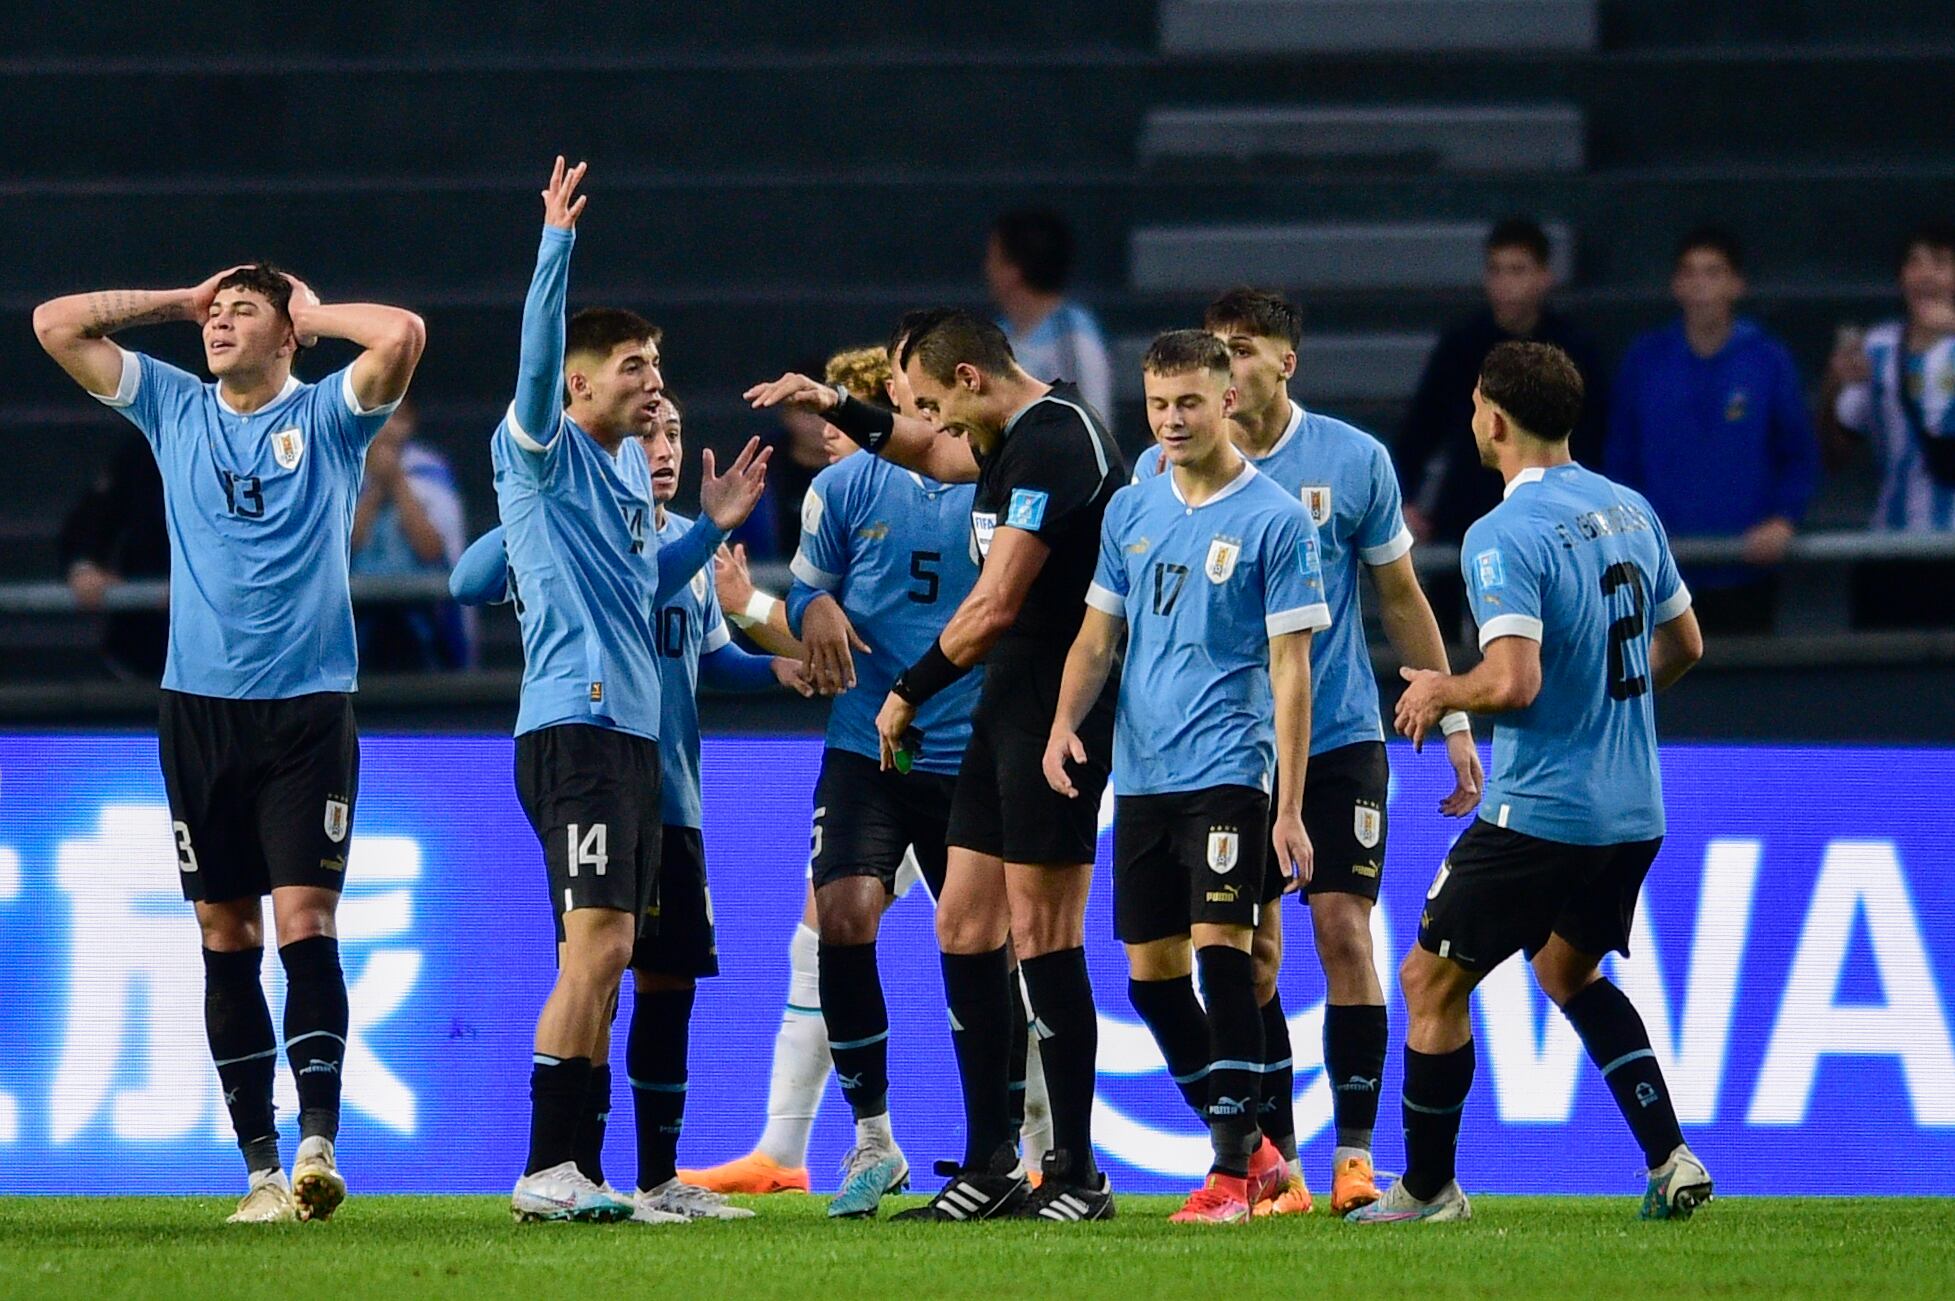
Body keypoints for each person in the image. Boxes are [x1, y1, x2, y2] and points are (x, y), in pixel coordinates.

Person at [33, 259, 426, 1223]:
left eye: (242, 312)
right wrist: (177, 299)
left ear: (285, 334)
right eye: (216, 313)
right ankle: (258, 1170)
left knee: (306, 923)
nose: (219, 325)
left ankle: (319, 1143)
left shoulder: (330, 416)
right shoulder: (172, 405)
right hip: (198, 708)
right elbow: (54, 323)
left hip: (307, 708)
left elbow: (405, 335)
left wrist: (317, 309)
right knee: (224, 932)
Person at [746, 308, 1127, 1222]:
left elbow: (996, 603)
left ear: (967, 381)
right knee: (964, 924)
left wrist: (907, 688)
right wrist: (842, 403)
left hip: (1054, 712)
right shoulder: (1000, 442)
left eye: (931, 404)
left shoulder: (1056, 440)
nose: (930, 427)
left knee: (1045, 936)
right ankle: (990, 1158)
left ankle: (1074, 1169)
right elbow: (930, 453)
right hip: (1003, 710)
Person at [1132, 288, 1483, 1216]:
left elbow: (1401, 597)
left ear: (1285, 362)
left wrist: (1449, 716)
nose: (1228, 364)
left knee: (1340, 930)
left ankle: (1357, 1157)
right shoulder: (1161, 467)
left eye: (1243, 349)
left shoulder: (1351, 460)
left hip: (1336, 736)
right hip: (1229, 752)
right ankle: (1271, 1159)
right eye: (1216, 349)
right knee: (1248, 962)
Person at [1350, 342, 1710, 1224]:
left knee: (1429, 981)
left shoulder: (1502, 532)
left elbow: (1512, 681)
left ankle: (1428, 1190)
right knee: (1567, 968)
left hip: (1542, 811)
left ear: (1494, 418)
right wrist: (1599, 712)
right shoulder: (1627, 508)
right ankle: (1671, 1157)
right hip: (1632, 809)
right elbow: (1686, 645)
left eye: (1476, 407)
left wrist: (1442, 689)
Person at [687, 340, 1051, 1207]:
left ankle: (1020, 1145)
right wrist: (800, 609)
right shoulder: (842, 489)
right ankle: (870, 1138)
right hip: (866, 747)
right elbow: (814, 598)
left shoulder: (1001, 479)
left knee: (994, 950)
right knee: (839, 919)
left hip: (971, 752)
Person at [451, 388, 807, 1224]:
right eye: (646, 428)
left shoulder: (685, 544)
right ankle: (572, 1164)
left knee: (667, 979)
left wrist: (778, 670)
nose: (662, 445)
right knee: (601, 972)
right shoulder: (587, 534)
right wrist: (541, 507)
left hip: (671, 791)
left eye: (675, 430)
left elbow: (709, 661)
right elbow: (469, 581)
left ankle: (657, 1177)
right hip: (599, 766)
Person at [492, 158, 769, 1224]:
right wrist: (554, 246)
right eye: (633, 366)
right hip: (573, 725)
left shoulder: (618, 477)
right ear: (578, 383)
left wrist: (711, 527)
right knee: (596, 948)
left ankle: (593, 1173)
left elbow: (646, 580)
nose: (653, 383)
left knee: (614, 960)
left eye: (657, 365)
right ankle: (542, 1165)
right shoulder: (545, 449)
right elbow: (530, 363)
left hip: (630, 737)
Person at [1046, 330, 1325, 1223]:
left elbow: (1290, 669)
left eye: (1189, 403)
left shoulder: (1275, 518)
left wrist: (1287, 805)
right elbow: (1098, 637)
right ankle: (1264, 1154)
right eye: (1159, 404)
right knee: (1148, 975)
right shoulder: (1133, 508)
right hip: (1144, 772)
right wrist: (1060, 724)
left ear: (1226, 402)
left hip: (1227, 770)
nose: (1171, 419)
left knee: (1223, 959)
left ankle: (1231, 1175)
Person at [1397, 219, 1608, 631]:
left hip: (1552, 518)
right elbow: (1420, 430)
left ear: (1545, 276)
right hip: (1467, 511)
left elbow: (1596, 435)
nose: (1505, 283)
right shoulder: (1461, 346)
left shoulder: (1576, 349)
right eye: (1496, 270)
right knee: (1451, 639)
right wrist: (1405, 501)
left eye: (1518, 270)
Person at [1607, 227, 1817, 634]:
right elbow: (1620, 457)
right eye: (1690, 273)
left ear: (1737, 285)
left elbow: (1798, 453)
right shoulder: (1645, 361)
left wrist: (1784, 520)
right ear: (1676, 285)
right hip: (1660, 578)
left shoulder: (1768, 360)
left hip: (1746, 573)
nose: (1701, 285)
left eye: (1713, 273)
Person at [1821, 220, 1955, 628]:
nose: (1927, 274)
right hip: (1891, 546)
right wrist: (1833, 383)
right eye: (1916, 263)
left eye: (1942, 263)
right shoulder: (1878, 346)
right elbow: (1836, 452)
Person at [350, 399, 473, 669]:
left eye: (397, 418)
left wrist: (396, 482)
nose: (388, 427)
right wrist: (375, 492)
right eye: (380, 416)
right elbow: (343, 548)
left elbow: (433, 550)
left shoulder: (430, 469)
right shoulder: (344, 469)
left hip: (420, 612)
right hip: (356, 612)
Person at [56, 428, 169, 679]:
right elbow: (94, 517)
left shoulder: (260, 447)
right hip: (146, 645)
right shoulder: (149, 446)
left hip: (235, 651)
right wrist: (84, 567)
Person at [986, 208, 1114, 424]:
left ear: (1013, 270)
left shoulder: (1075, 337)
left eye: (993, 258)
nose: (987, 268)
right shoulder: (995, 337)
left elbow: (1094, 419)